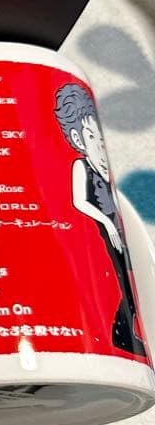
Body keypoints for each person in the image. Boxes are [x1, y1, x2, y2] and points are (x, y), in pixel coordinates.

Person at [54, 83, 145, 357]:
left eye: (101, 140)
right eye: (92, 137)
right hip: (103, 233)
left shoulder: (103, 170)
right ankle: (121, 333)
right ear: (78, 138)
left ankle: (125, 333)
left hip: (117, 230)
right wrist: (105, 223)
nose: (99, 145)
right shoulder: (81, 166)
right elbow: (79, 201)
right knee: (119, 283)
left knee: (127, 283)